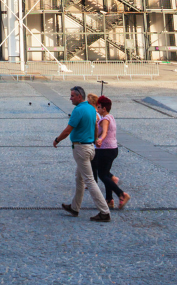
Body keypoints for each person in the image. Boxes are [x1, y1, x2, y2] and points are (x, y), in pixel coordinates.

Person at [52, 85, 110, 222]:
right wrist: (95, 139)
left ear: (79, 96)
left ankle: (104, 212)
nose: (70, 98)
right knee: (79, 179)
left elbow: (67, 130)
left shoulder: (78, 110)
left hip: (81, 149)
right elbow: (96, 126)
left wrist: (57, 140)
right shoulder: (91, 108)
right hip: (90, 148)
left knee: (89, 180)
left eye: (72, 96)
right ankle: (74, 207)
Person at [92, 95, 131, 209]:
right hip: (113, 149)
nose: (97, 109)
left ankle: (122, 194)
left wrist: (100, 139)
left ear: (104, 108)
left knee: (102, 175)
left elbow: (103, 132)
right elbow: (100, 133)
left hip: (105, 150)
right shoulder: (111, 117)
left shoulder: (104, 120)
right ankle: (109, 200)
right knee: (106, 173)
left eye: (98, 107)